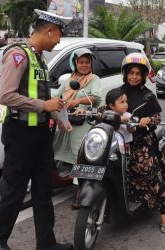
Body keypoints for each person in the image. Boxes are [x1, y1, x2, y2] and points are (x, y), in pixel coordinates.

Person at [0, 9, 74, 250]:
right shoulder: (18, 54)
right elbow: (6, 96)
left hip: (40, 134)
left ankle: (47, 244)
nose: (58, 40)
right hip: (21, 133)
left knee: (43, 190)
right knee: (14, 191)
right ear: (49, 30)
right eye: (58, 35)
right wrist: (42, 105)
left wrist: (55, 113)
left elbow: (41, 95)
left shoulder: (40, 59)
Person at [120, 53, 165, 234]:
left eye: (137, 73)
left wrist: (147, 119)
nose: (134, 76)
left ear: (143, 76)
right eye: (131, 73)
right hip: (120, 139)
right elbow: (109, 107)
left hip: (142, 141)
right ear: (125, 74)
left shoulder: (148, 95)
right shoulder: (120, 91)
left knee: (151, 174)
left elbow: (157, 118)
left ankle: (164, 214)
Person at [52, 48, 102, 209]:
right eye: (81, 62)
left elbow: (96, 97)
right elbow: (58, 95)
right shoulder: (69, 79)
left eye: (87, 62)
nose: (84, 65)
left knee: (80, 158)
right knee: (56, 152)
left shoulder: (94, 79)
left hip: (82, 121)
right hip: (66, 121)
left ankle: (82, 191)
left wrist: (76, 101)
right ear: (75, 63)